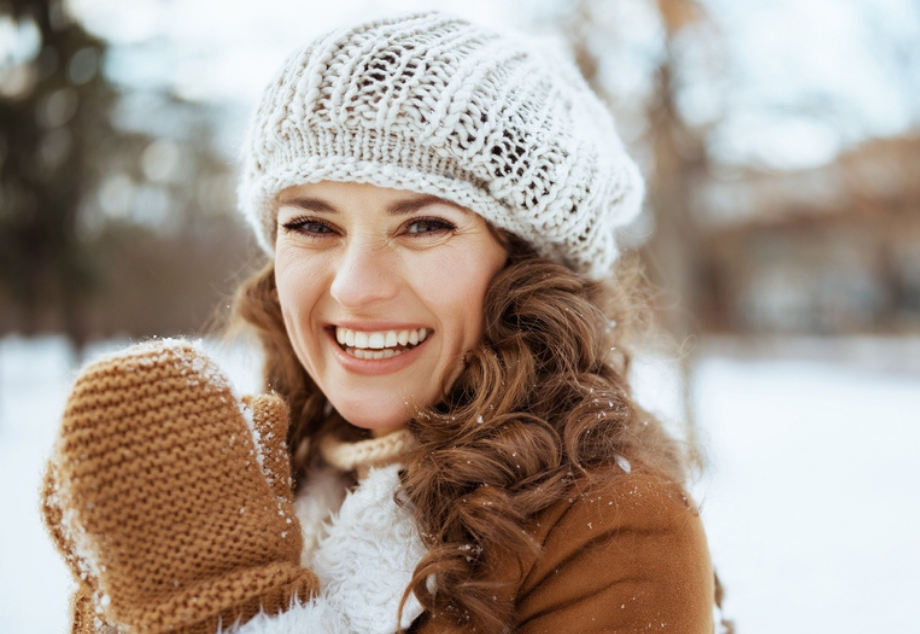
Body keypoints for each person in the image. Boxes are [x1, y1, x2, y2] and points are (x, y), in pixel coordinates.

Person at [40, 12, 719, 634]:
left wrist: (224, 610)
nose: (356, 287)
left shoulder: (618, 529)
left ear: (527, 266)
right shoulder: (285, 477)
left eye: (424, 225)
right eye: (311, 224)